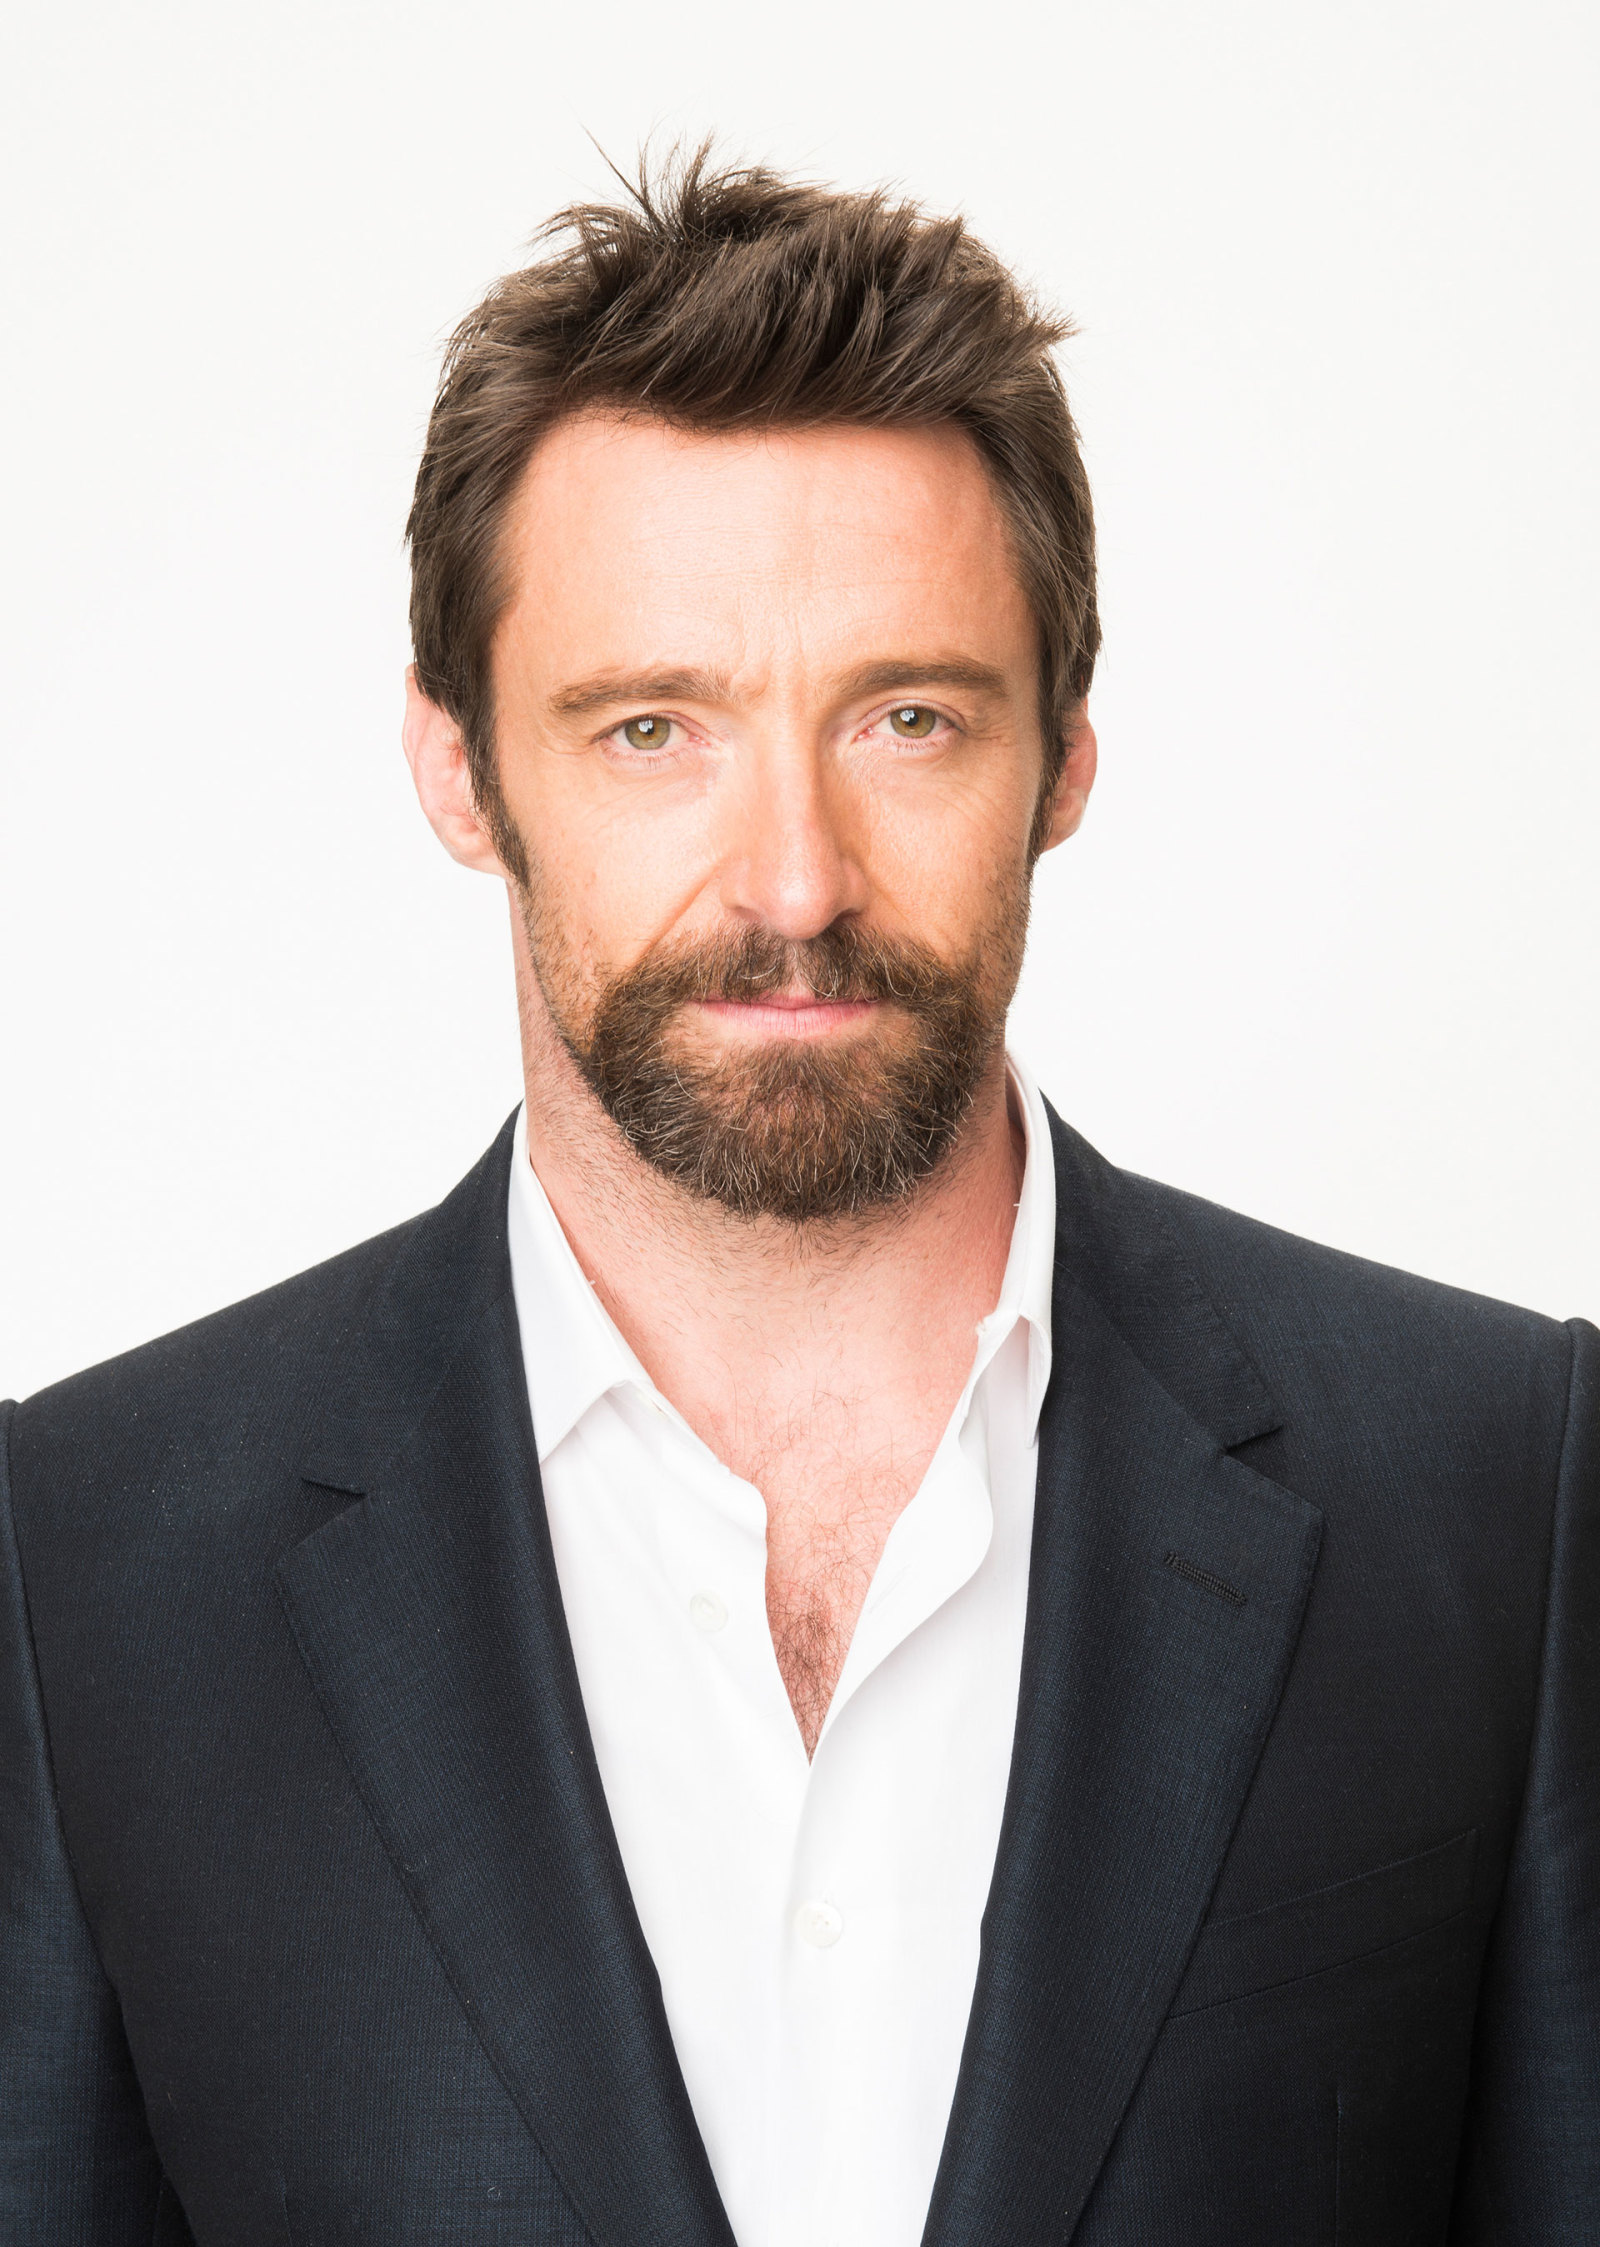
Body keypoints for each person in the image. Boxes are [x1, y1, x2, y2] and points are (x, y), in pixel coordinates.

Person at [2, 150, 1595, 2247]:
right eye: (650, 727)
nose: (793, 878)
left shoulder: (1500, 1490)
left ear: (1064, 759)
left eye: (907, 718)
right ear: (460, 768)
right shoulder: (83, 1567)